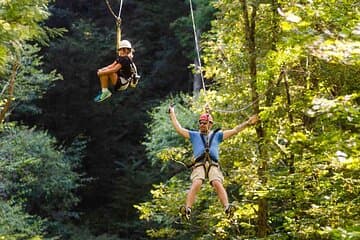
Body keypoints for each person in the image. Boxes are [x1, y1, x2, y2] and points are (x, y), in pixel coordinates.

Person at [168, 105, 259, 220]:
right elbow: (179, 129)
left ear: (210, 124)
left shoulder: (217, 135)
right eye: (200, 122)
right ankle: (187, 208)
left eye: (204, 123)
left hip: (213, 164)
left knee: (217, 183)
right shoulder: (194, 135)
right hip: (199, 164)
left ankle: (227, 207)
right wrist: (172, 113)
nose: (201, 125)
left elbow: (235, 130)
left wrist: (248, 123)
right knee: (197, 182)